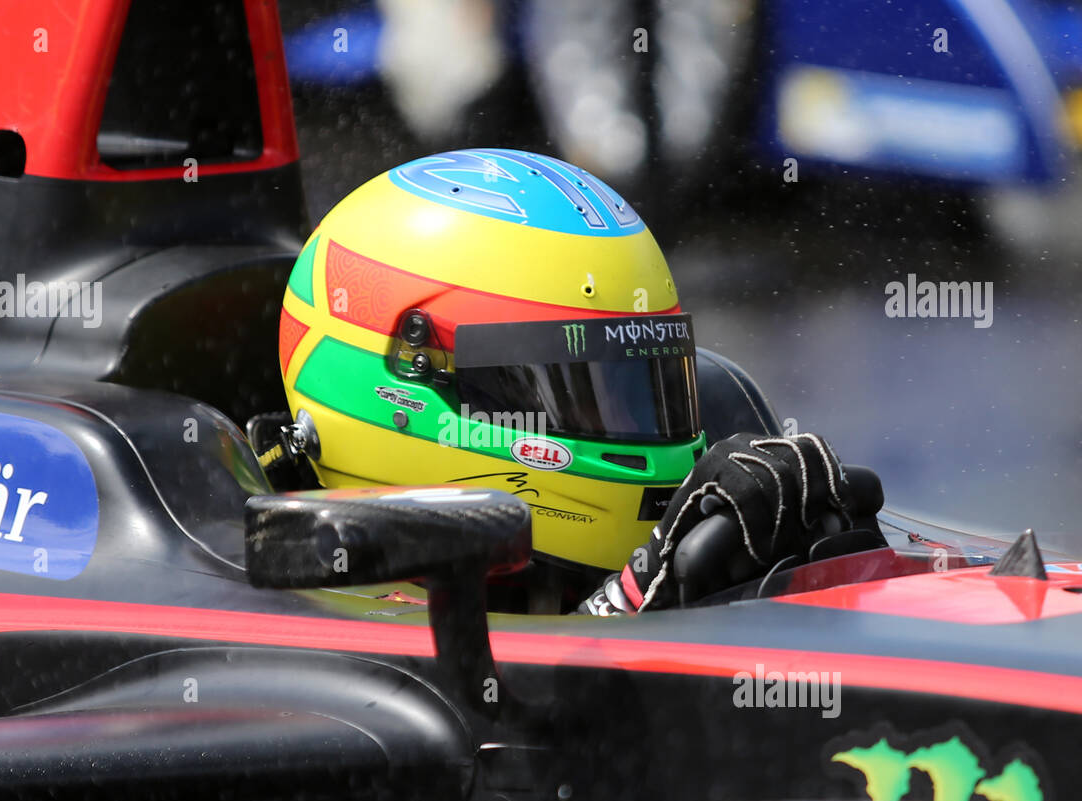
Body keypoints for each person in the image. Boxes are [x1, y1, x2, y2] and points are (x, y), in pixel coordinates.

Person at [253, 147, 883, 614]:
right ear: (404, 379)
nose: (629, 423)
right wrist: (634, 598)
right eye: (561, 385)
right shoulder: (312, 620)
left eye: (640, 380)